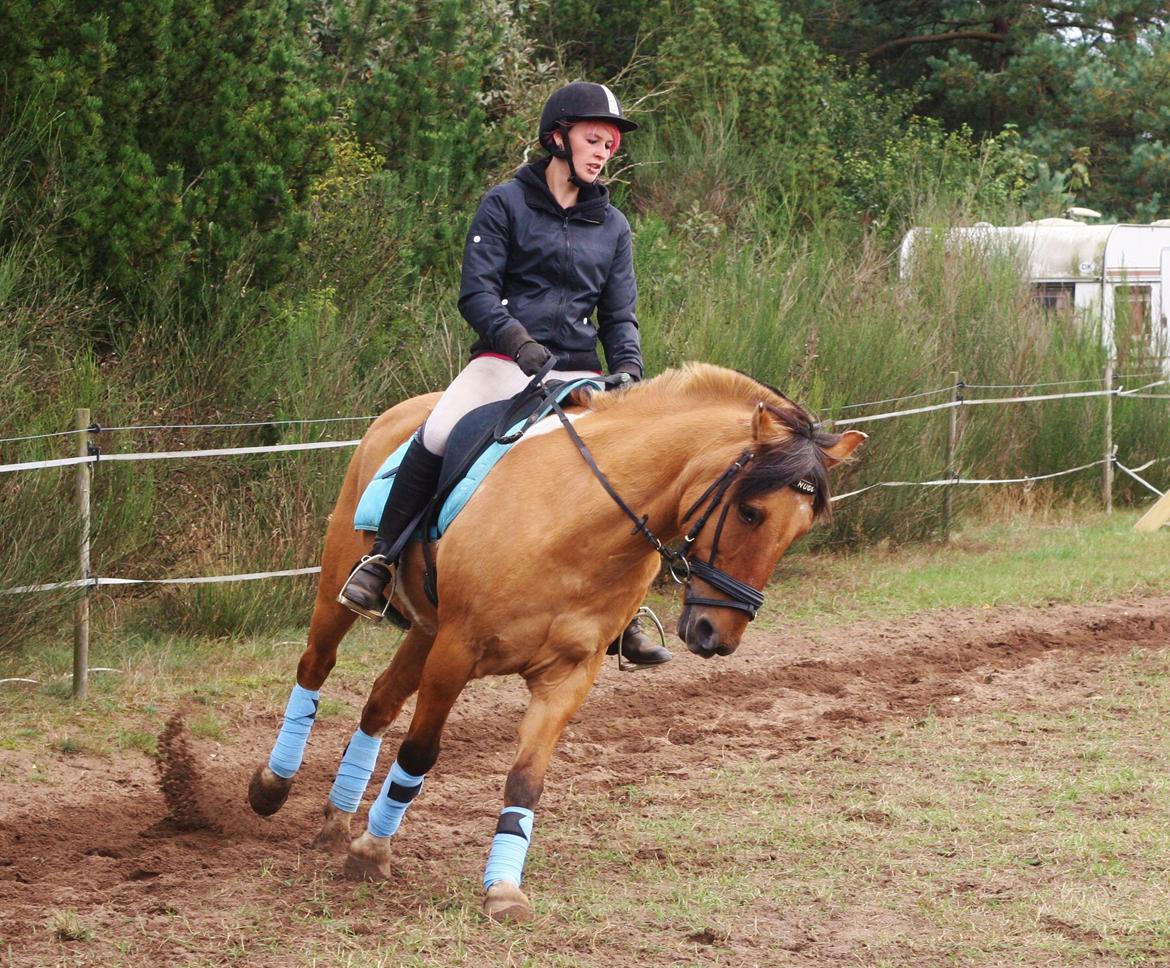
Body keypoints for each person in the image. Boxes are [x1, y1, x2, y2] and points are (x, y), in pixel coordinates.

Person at [338, 81, 672, 665]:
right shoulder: (505, 204)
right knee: (439, 432)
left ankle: (624, 610)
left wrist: (628, 372)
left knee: (630, 475)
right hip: (503, 361)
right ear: (558, 137)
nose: (602, 153)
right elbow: (477, 294)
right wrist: (519, 345)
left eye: (610, 146)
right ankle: (381, 559)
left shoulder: (614, 226)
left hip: (576, 375)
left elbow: (619, 315)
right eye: (594, 140)